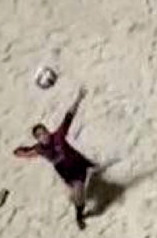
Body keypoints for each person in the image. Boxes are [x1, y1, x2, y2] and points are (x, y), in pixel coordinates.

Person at [12, 90, 95, 228]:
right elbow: (25, 152)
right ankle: (79, 216)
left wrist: (78, 98)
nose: (43, 136)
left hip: (79, 164)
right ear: (37, 139)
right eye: (40, 135)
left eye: (44, 132)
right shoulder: (39, 149)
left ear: (48, 131)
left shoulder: (58, 136)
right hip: (67, 174)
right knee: (78, 195)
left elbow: (69, 116)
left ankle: (80, 209)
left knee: (83, 184)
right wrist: (18, 152)